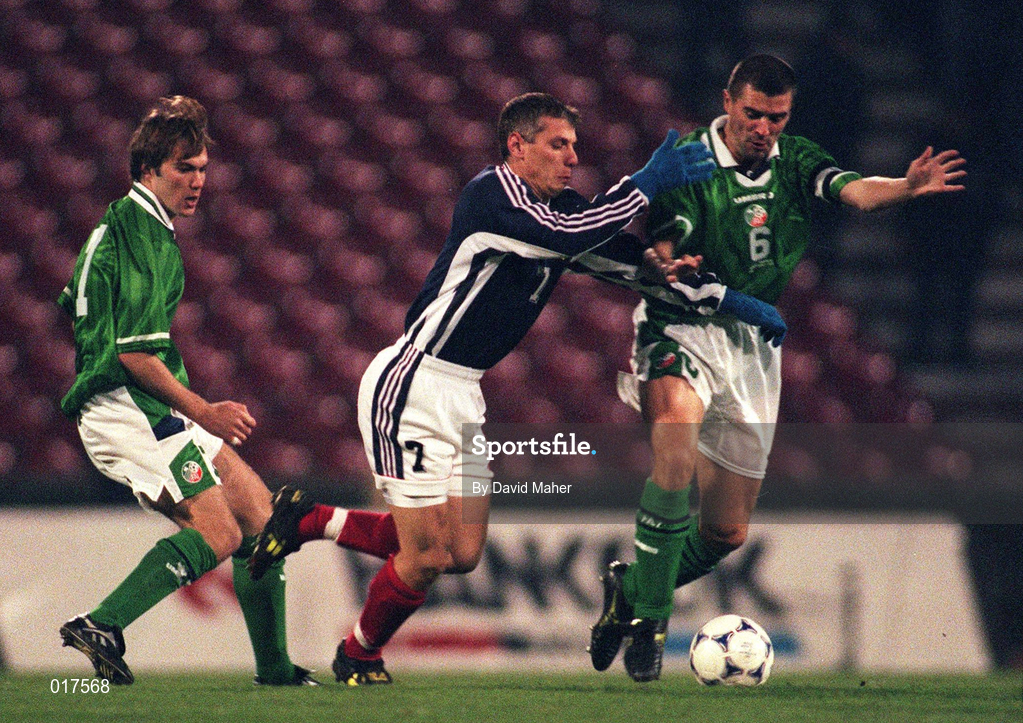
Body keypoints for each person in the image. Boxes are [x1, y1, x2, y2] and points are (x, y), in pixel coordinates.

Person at [247, 92, 787, 685]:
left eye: (575, 147)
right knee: (425, 556)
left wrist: (726, 298)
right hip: (414, 383)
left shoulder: (563, 216)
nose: (572, 158)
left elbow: (630, 266)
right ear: (517, 146)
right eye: (558, 145)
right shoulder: (493, 195)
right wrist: (644, 183)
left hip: (466, 394)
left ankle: (308, 519)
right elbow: (566, 234)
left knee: (461, 553)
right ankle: (359, 654)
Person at [589, 54, 967, 682]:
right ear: (728, 102)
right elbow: (662, 242)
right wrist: (668, 260)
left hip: (753, 347)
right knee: (675, 443)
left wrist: (903, 187)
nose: (764, 128)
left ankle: (629, 589)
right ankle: (652, 622)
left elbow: (854, 191)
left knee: (726, 533)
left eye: (778, 117)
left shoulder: (795, 159)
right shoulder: (691, 159)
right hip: (680, 326)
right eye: (754, 114)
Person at [56, 96, 316, 686]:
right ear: (148, 170)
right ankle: (101, 623)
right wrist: (205, 411)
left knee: (262, 518)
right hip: (129, 406)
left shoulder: (122, 224)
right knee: (219, 533)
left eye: (202, 168)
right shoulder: (142, 235)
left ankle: (275, 670)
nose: (198, 181)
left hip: (143, 403)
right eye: (184, 169)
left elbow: (73, 300)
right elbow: (133, 355)